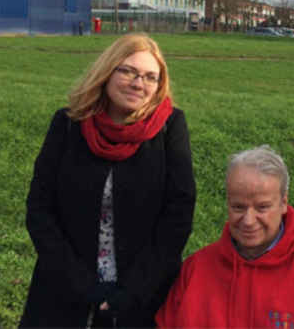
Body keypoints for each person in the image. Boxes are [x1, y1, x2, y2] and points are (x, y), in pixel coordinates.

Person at [20, 33, 196, 328]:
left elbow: (177, 217)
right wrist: (83, 286)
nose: (138, 83)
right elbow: (40, 209)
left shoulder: (169, 128)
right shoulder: (68, 124)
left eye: (150, 77)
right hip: (64, 293)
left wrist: (132, 291)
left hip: (142, 297)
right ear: (107, 70)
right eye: (128, 71)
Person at [156, 145, 294, 328]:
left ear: (283, 203)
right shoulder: (195, 269)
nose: (248, 220)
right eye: (238, 207)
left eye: (262, 207)